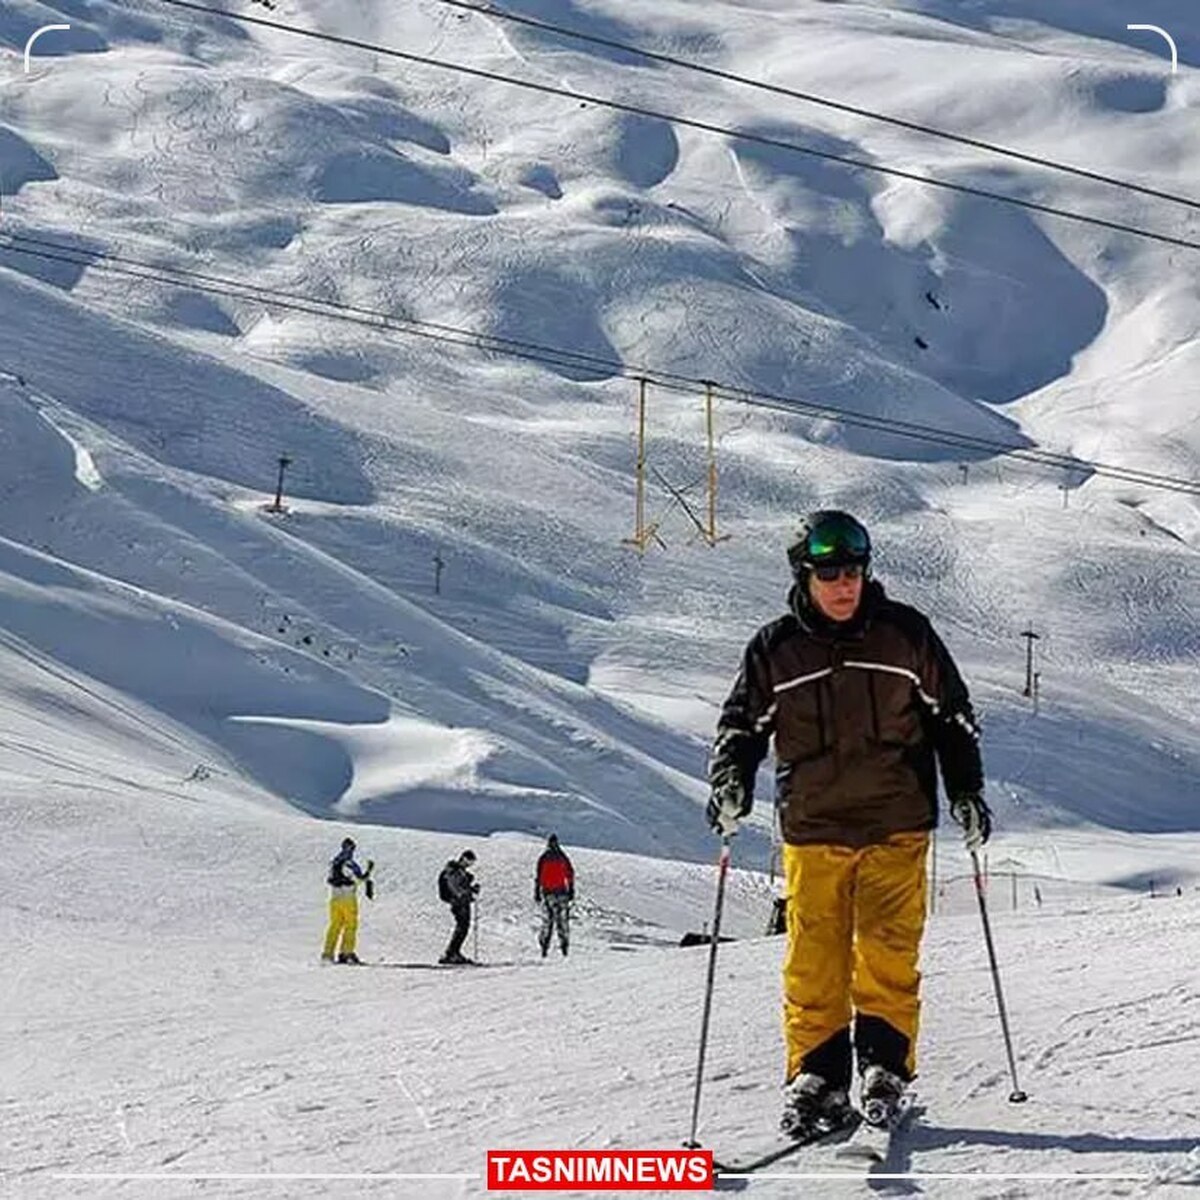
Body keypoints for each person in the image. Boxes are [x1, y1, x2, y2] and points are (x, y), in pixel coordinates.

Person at [706, 510, 990, 1137]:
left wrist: (966, 789)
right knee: (815, 957)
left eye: (853, 571)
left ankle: (885, 1066)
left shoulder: (905, 636)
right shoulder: (776, 650)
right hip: (814, 829)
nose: (844, 584)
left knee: (889, 950)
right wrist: (730, 781)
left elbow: (953, 717)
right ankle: (818, 1074)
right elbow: (740, 728)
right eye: (829, 572)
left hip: (897, 822)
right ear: (803, 576)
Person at [322, 836, 374, 965]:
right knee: (350, 925)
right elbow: (358, 879)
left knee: (335, 926)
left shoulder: (334, 863)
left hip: (334, 898)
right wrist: (368, 871)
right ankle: (346, 953)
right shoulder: (348, 863)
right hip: (348, 898)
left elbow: (330, 879)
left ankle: (328, 953)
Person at [534, 834, 575, 957]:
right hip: (559, 893)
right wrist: (571, 889)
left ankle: (548, 947)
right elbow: (570, 874)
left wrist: (537, 891)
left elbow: (539, 876)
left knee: (549, 922)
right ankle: (561, 947)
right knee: (561, 922)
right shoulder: (562, 857)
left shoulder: (544, 858)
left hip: (550, 893)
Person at [438, 849, 479, 964]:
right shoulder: (453, 871)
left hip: (461, 902)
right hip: (458, 902)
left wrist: (471, 889)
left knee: (463, 928)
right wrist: (466, 893)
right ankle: (451, 953)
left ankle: (453, 952)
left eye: (471, 863)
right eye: (468, 861)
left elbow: (461, 887)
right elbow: (456, 888)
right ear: (462, 858)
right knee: (462, 927)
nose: (468, 865)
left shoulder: (459, 871)